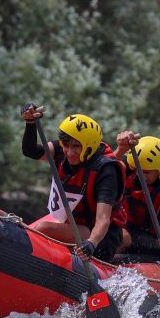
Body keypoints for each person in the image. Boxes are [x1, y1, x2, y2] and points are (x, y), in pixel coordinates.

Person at [20, 105, 126, 262]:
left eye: (76, 146)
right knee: (40, 229)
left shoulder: (106, 170)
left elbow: (103, 219)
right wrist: (30, 123)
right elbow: (31, 151)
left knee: (42, 229)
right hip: (74, 227)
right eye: (66, 145)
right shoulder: (60, 149)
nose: (69, 152)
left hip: (99, 238)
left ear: (89, 145)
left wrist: (91, 243)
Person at [112, 132, 160, 273]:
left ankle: (100, 266)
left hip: (154, 240)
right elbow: (104, 169)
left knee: (121, 236)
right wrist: (120, 149)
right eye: (137, 170)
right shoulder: (131, 162)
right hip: (124, 226)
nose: (139, 175)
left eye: (146, 172)